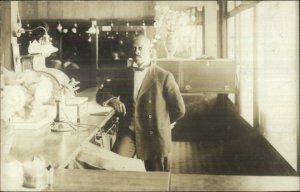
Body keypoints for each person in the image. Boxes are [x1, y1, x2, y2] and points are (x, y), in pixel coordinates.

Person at [96, 35, 185, 171]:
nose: (136, 52)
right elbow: (101, 93)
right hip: (130, 132)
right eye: (134, 48)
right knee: (113, 167)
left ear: (150, 50)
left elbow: (179, 109)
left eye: (140, 48)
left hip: (154, 134)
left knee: (157, 179)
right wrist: (113, 100)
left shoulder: (164, 76)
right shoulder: (124, 74)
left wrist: (163, 122)